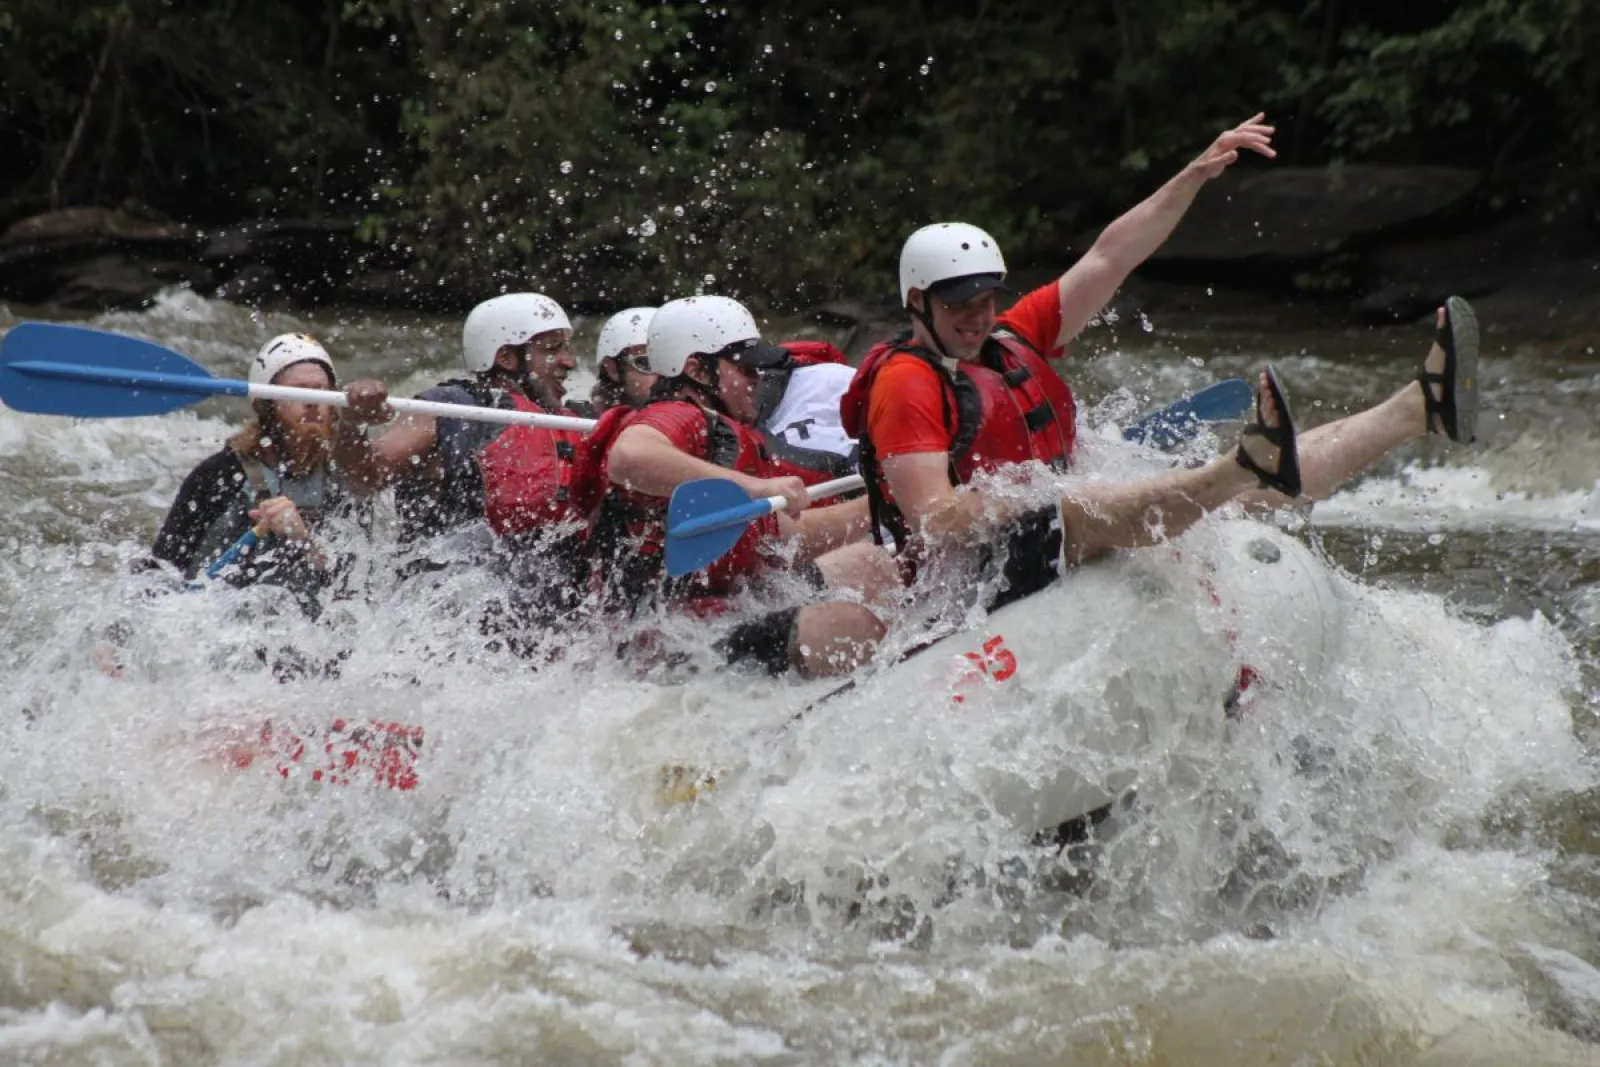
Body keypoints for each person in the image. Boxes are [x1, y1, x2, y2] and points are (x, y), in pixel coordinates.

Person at [837, 211, 1479, 613]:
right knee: (1077, 507)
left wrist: (1197, 171)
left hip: (1037, 531)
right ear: (917, 301)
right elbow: (938, 519)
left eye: (986, 299)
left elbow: (1110, 256)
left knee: (1240, 492)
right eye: (960, 305)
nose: (979, 315)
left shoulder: (1008, 338)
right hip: (965, 582)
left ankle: (1418, 407)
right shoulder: (905, 384)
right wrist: (1037, 492)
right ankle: (1237, 469)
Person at [589, 295, 900, 678]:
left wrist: (883, 502)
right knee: (849, 623)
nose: (758, 381)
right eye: (746, 371)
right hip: (672, 641)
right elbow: (629, 458)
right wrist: (753, 486)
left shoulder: (724, 435)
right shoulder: (680, 415)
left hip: (725, 609)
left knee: (869, 563)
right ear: (698, 371)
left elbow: (780, 539)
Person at [335, 292, 589, 546]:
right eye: (552, 349)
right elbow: (364, 478)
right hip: (457, 574)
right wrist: (352, 425)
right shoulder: (451, 408)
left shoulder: (578, 420)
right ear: (506, 359)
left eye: (567, 348)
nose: (570, 362)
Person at [150, 332, 367, 602]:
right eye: (298, 390)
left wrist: (302, 540)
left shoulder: (344, 477)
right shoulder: (220, 473)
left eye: (321, 391)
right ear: (267, 404)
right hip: (222, 616)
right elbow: (162, 570)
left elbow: (355, 586)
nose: (312, 401)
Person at [588, 306, 661, 414]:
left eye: (674, 363)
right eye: (648, 363)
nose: (666, 376)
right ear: (612, 369)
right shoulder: (578, 425)